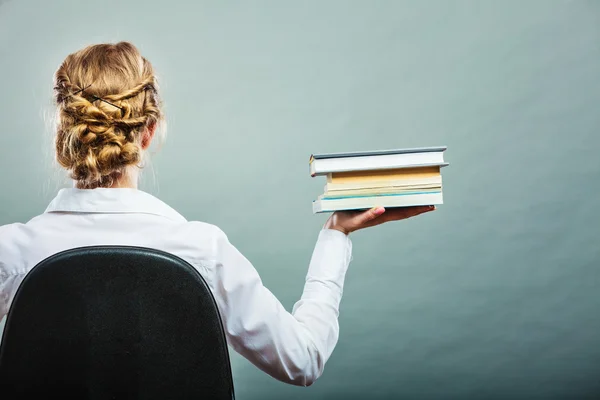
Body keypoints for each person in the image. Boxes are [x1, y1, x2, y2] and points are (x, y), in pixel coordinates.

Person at [0, 42, 434, 386]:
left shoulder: (11, 251)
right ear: (149, 133)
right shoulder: (203, 250)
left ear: (66, 130)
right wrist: (336, 235)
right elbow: (303, 361)